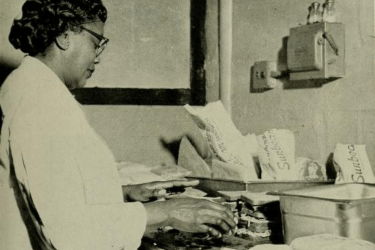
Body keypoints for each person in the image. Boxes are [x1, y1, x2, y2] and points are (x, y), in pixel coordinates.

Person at [0, 0, 236, 249]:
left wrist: (123, 193)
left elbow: (53, 192)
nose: (97, 57)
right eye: (96, 42)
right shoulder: (36, 102)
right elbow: (65, 231)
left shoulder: (36, 90)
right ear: (65, 36)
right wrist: (166, 211)